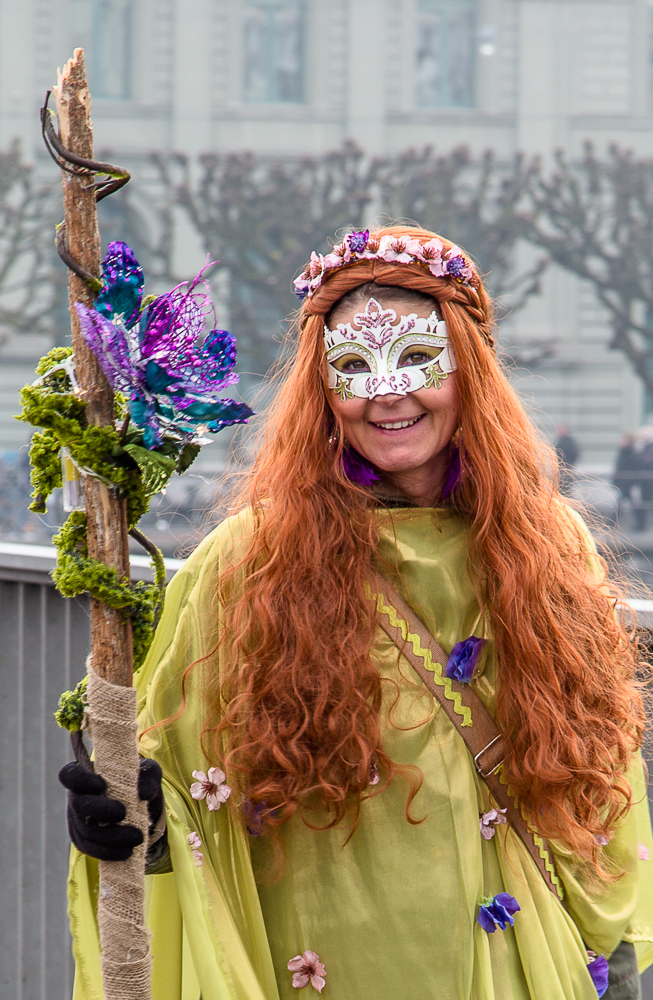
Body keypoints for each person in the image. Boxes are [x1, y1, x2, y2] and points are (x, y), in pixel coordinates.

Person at [62, 226, 653, 1000]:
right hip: (330, 961)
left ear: (468, 370)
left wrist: (614, 954)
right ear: (322, 390)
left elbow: (598, 768)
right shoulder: (249, 559)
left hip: (521, 964)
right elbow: (170, 766)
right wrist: (129, 814)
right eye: (352, 367)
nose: (385, 393)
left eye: (415, 359)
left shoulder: (551, 544)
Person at [554, 424, 580, 495]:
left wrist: (568, 463)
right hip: (563, 470)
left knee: (565, 491)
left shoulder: (566, 443)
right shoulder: (560, 441)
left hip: (565, 470)